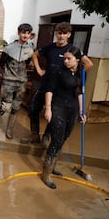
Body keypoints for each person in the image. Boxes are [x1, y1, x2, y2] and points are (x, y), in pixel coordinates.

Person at [21, 22, 93, 144]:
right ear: (55, 34)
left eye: (64, 33)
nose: (61, 36)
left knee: (54, 114)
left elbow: (89, 64)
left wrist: (74, 76)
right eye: (59, 33)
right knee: (33, 109)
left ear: (69, 35)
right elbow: (35, 55)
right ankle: (34, 135)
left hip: (59, 89)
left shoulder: (71, 50)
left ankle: (46, 136)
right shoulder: (50, 47)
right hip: (45, 84)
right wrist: (39, 70)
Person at [41, 46, 86, 189]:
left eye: (69, 59)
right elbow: (49, 90)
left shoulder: (81, 73)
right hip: (58, 107)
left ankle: (53, 166)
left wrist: (81, 111)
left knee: (64, 138)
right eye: (64, 58)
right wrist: (48, 109)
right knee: (56, 140)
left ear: (77, 60)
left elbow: (79, 92)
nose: (65, 61)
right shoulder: (58, 72)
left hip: (72, 109)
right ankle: (46, 173)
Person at [0, 23, 34, 139]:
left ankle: (9, 129)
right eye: (23, 32)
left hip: (21, 82)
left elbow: (27, 64)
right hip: (8, 81)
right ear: (19, 33)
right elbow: (2, 63)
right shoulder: (9, 48)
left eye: (28, 33)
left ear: (30, 35)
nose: (25, 35)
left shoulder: (30, 49)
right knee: (5, 106)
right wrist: (6, 75)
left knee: (16, 107)